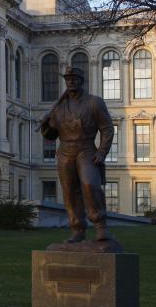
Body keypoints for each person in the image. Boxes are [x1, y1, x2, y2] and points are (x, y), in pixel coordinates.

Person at [38, 67, 115, 243]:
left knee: (90, 185)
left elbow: (107, 128)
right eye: (68, 79)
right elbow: (52, 136)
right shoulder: (58, 108)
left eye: (74, 79)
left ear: (81, 81)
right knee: (69, 192)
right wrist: (45, 126)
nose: (71, 82)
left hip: (86, 149)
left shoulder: (94, 102)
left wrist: (102, 151)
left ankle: (101, 226)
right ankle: (77, 228)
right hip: (65, 151)